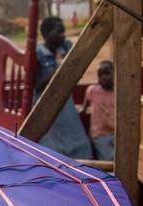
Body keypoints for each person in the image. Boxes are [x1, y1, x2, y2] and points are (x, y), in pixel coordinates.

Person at [34, 16, 94, 160]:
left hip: (65, 105)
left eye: (64, 32)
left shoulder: (65, 48)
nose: (63, 35)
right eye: (59, 32)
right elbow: (37, 85)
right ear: (47, 34)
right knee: (51, 148)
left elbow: (78, 57)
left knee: (81, 144)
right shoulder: (38, 54)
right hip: (46, 105)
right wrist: (57, 73)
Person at [81, 59, 115, 160]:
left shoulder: (119, 92)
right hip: (99, 134)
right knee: (109, 158)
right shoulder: (92, 91)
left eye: (107, 73)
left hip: (117, 134)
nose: (104, 77)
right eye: (100, 75)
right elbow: (83, 108)